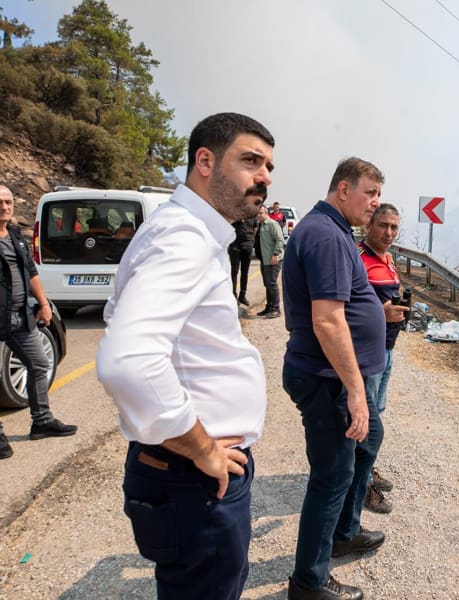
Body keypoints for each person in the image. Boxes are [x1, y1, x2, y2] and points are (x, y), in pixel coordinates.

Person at [95, 112, 274, 600]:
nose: (264, 176)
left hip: (186, 475)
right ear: (204, 161)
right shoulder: (184, 238)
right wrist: (202, 448)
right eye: (251, 161)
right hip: (193, 477)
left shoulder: (192, 232)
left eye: (268, 166)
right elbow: (127, 359)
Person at [281, 157, 387, 600]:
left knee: (369, 441)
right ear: (343, 189)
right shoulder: (325, 235)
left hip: (334, 376)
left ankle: (344, 531)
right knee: (330, 476)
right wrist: (357, 391)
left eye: (379, 196)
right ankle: (309, 582)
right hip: (326, 378)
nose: (376, 205)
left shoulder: (336, 230)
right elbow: (327, 321)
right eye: (370, 194)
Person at [0, 185, 77, 460]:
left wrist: (43, 304)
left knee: (40, 363)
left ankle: (41, 421)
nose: (5, 207)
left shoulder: (16, 237)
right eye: (0, 202)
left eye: (8, 202)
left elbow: (31, 272)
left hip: (20, 316)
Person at [356, 203, 407, 514]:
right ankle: (361, 487)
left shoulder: (388, 259)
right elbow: (347, 308)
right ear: (369, 226)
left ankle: (366, 471)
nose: (389, 232)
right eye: (383, 226)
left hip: (387, 350)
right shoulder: (359, 259)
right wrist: (382, 313)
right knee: (366, 424)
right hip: (367, 354)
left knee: (378, 412)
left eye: (394, 227)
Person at [255, 203, 284, 318]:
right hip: (264, 259)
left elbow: (280, 240)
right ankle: (269, 306)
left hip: (273, 259)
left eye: (260, 213)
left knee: (271, 283)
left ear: (266, 213)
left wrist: (275, 254)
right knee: (267, 284)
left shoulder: (272, 224)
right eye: (257, 213)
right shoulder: (261, 225)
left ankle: (276, 308)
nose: (258, 215)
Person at [229, 215, 256, 305]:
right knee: (234, 271)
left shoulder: (252, 215)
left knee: (245, 272)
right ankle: (233, 295)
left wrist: (251, 241)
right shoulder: (235, 213)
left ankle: (242, 295)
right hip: (235, 245)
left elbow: (255, 228)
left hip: (247, 245)